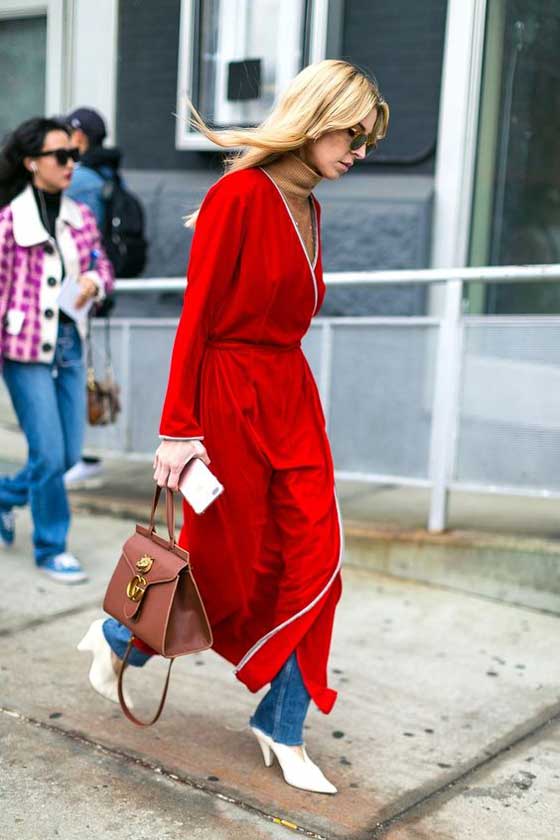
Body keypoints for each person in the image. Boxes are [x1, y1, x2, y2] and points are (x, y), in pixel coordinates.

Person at [78, 60, 388, 791]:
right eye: (354, 135)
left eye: (369, 141)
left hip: (290, 397)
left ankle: (281, 723)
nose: (360, 153)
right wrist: (178, 429)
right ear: (316, 120)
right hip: (226, 400)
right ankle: (125, 633)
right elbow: (198, 318)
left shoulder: (312, 207)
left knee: (319, 561)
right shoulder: (239, 195)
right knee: (227, 566)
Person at [0, 117, 114, 581]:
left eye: (74, 155)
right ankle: (51, 547)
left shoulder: (80, 216)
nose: (71, 163)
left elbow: (102, 265)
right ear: (32, 163)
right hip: (23, 347)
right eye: (60, 156)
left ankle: (5, 497)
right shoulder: (9, 222)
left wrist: (93, 280)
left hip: (69, 344)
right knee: (48, 454)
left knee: (67, 457)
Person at [63, 107, 121, 489]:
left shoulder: (79, 178)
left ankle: (79, 456)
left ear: (79, 138)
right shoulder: (106, 172)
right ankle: (78, 456)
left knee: (76, 374)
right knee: (84, 369)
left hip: (78, 289)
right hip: (94, 287)